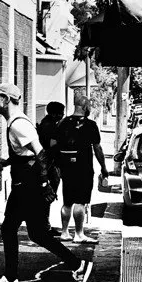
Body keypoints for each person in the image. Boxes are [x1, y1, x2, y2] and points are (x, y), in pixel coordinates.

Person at [0, 84, 92, 282]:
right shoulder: (16, 122)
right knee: (36, 234)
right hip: (26, 184)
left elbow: (40, 153)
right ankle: (77, 265)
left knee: (10, 229)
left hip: (28, 186)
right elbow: (26, 154)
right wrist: (8, 162)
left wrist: (43, 184)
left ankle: (11, 279)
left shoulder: (18, 124)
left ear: (6, 100)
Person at [54, 98, 109, 242]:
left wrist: (58, 164)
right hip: (83, 167)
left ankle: (64, 232)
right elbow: (97, 148)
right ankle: (79, 234)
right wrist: (103, 167)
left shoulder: (62, 123)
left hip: (66, 167)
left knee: (67, 201)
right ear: (85, 107)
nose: (90, 108)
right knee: (80, 202)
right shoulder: (90, 125)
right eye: (89, 106)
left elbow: (54, 145)